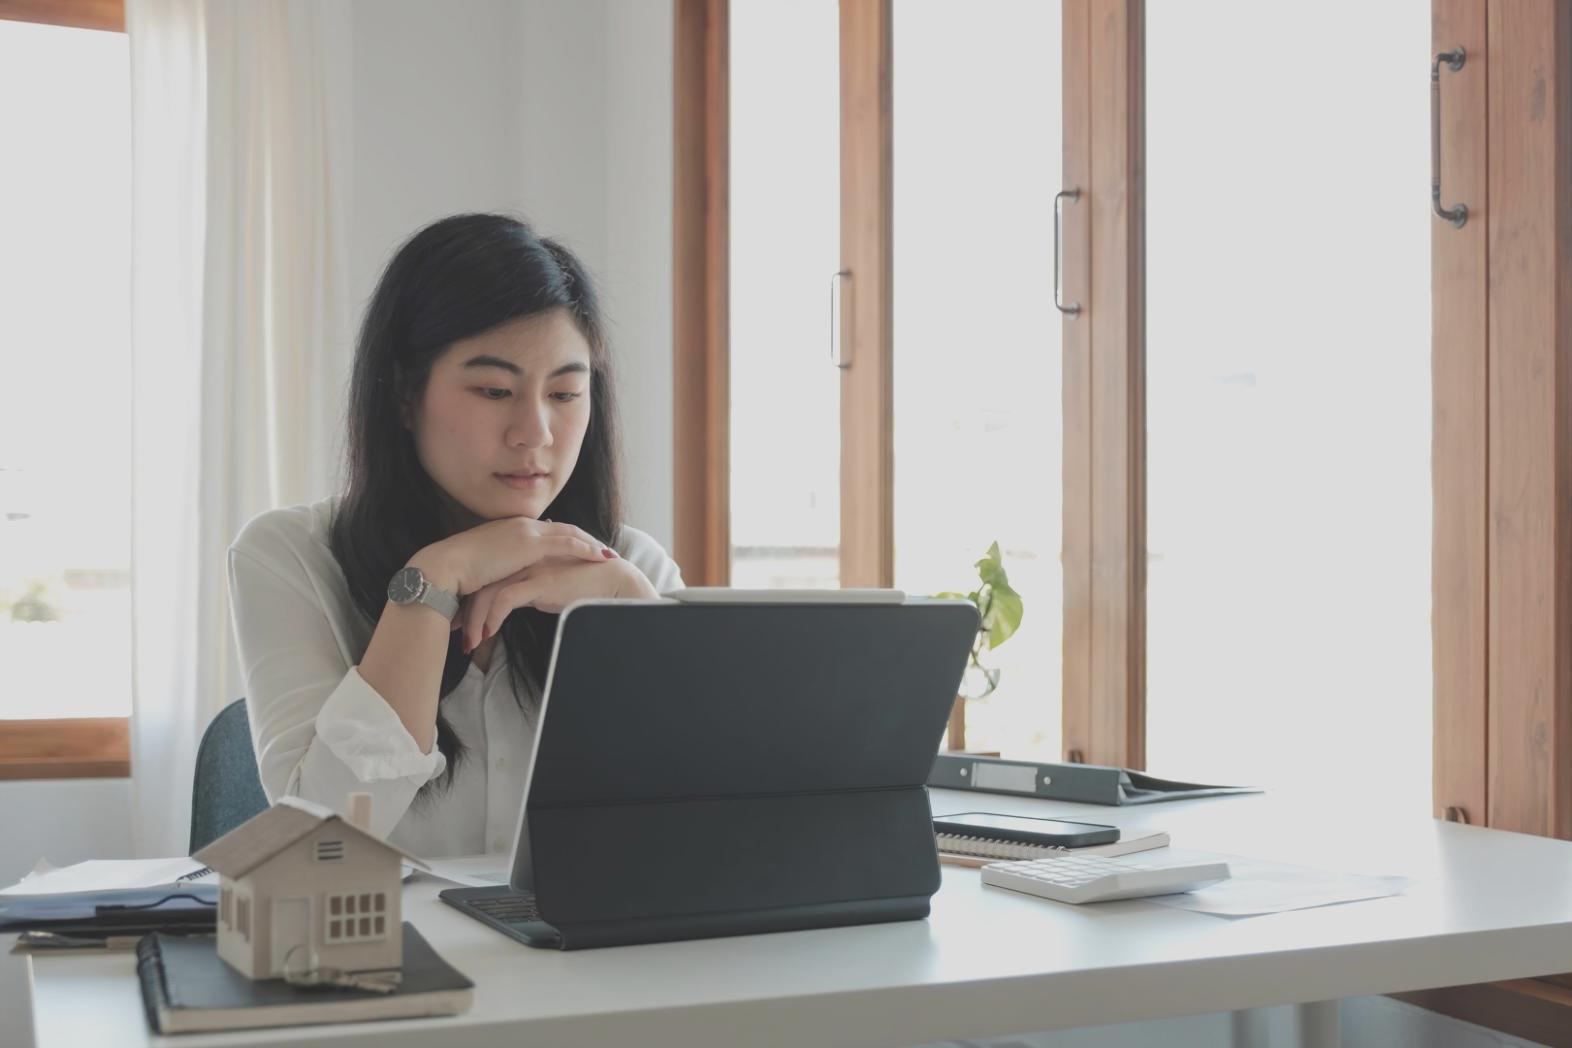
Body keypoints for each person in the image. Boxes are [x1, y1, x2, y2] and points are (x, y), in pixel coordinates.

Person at [228, 213, 682, 856]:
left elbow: (700, 831)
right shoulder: (289, 557)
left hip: (579, 956)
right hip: (389, 954)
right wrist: (432, 583)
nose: (535, 432)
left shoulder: (630, 566)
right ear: (404, 396)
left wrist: (637, 623)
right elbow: (317, 842)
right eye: (495, 390)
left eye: (565, 393)